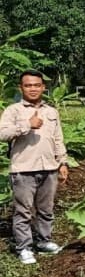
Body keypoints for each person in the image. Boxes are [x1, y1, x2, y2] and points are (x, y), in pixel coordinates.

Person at [0, 70, 69, 264]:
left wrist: (62, 161)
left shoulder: (51, 111)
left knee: (46, 209)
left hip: (49, 167)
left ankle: (43, 241)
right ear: (21, 88)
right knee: (23, 211)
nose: (33, 88)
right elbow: (2, 134)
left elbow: (58, 138)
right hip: (23, 168)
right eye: (28, 85)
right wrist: (27, 124)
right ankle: (24, 247)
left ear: (43, 87)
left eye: (36, 85)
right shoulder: (13, 111)